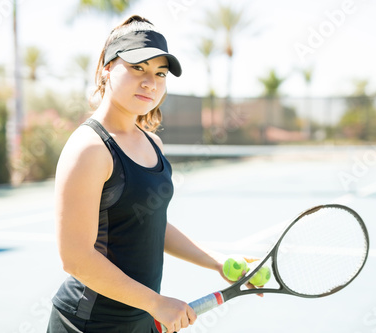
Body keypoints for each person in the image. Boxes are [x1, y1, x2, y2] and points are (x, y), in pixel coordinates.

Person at [47, 15, 254, 333]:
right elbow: (75, 258)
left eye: (160, 73)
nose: (150, 82)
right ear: (107, 67)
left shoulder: (151, 142)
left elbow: (151, 220)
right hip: (88, 324)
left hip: (140, 319)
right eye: (138, 68)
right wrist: (156, 303)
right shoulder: (89, 149)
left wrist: (218, 262)